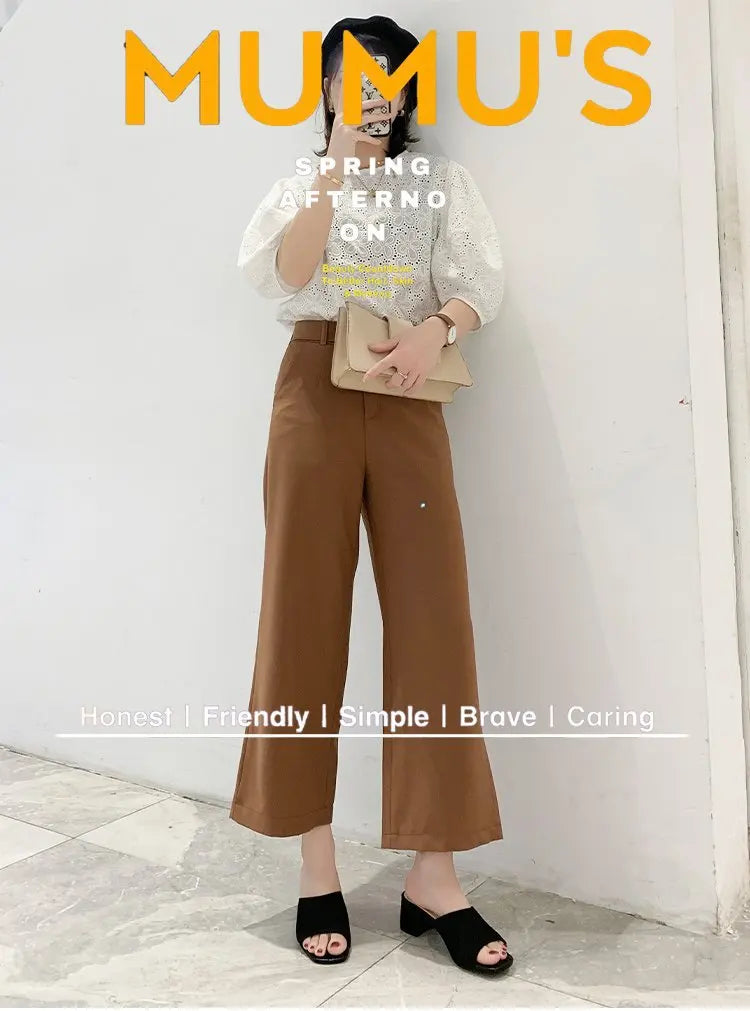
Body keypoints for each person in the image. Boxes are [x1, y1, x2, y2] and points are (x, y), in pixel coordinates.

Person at [229, 15, 513, 978]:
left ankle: (435, 875)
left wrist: (438, 328)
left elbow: (478, 281)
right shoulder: (300, 181)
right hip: (313, 385)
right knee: (301, 615)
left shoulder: (442, 183)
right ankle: (317, 864)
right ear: (326, 90)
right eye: (351, 80)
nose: (370, 95)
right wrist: (336, 171)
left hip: (408, 390)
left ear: (407, 90)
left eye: (385, 79)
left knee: (435, 622)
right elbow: (288, 273)